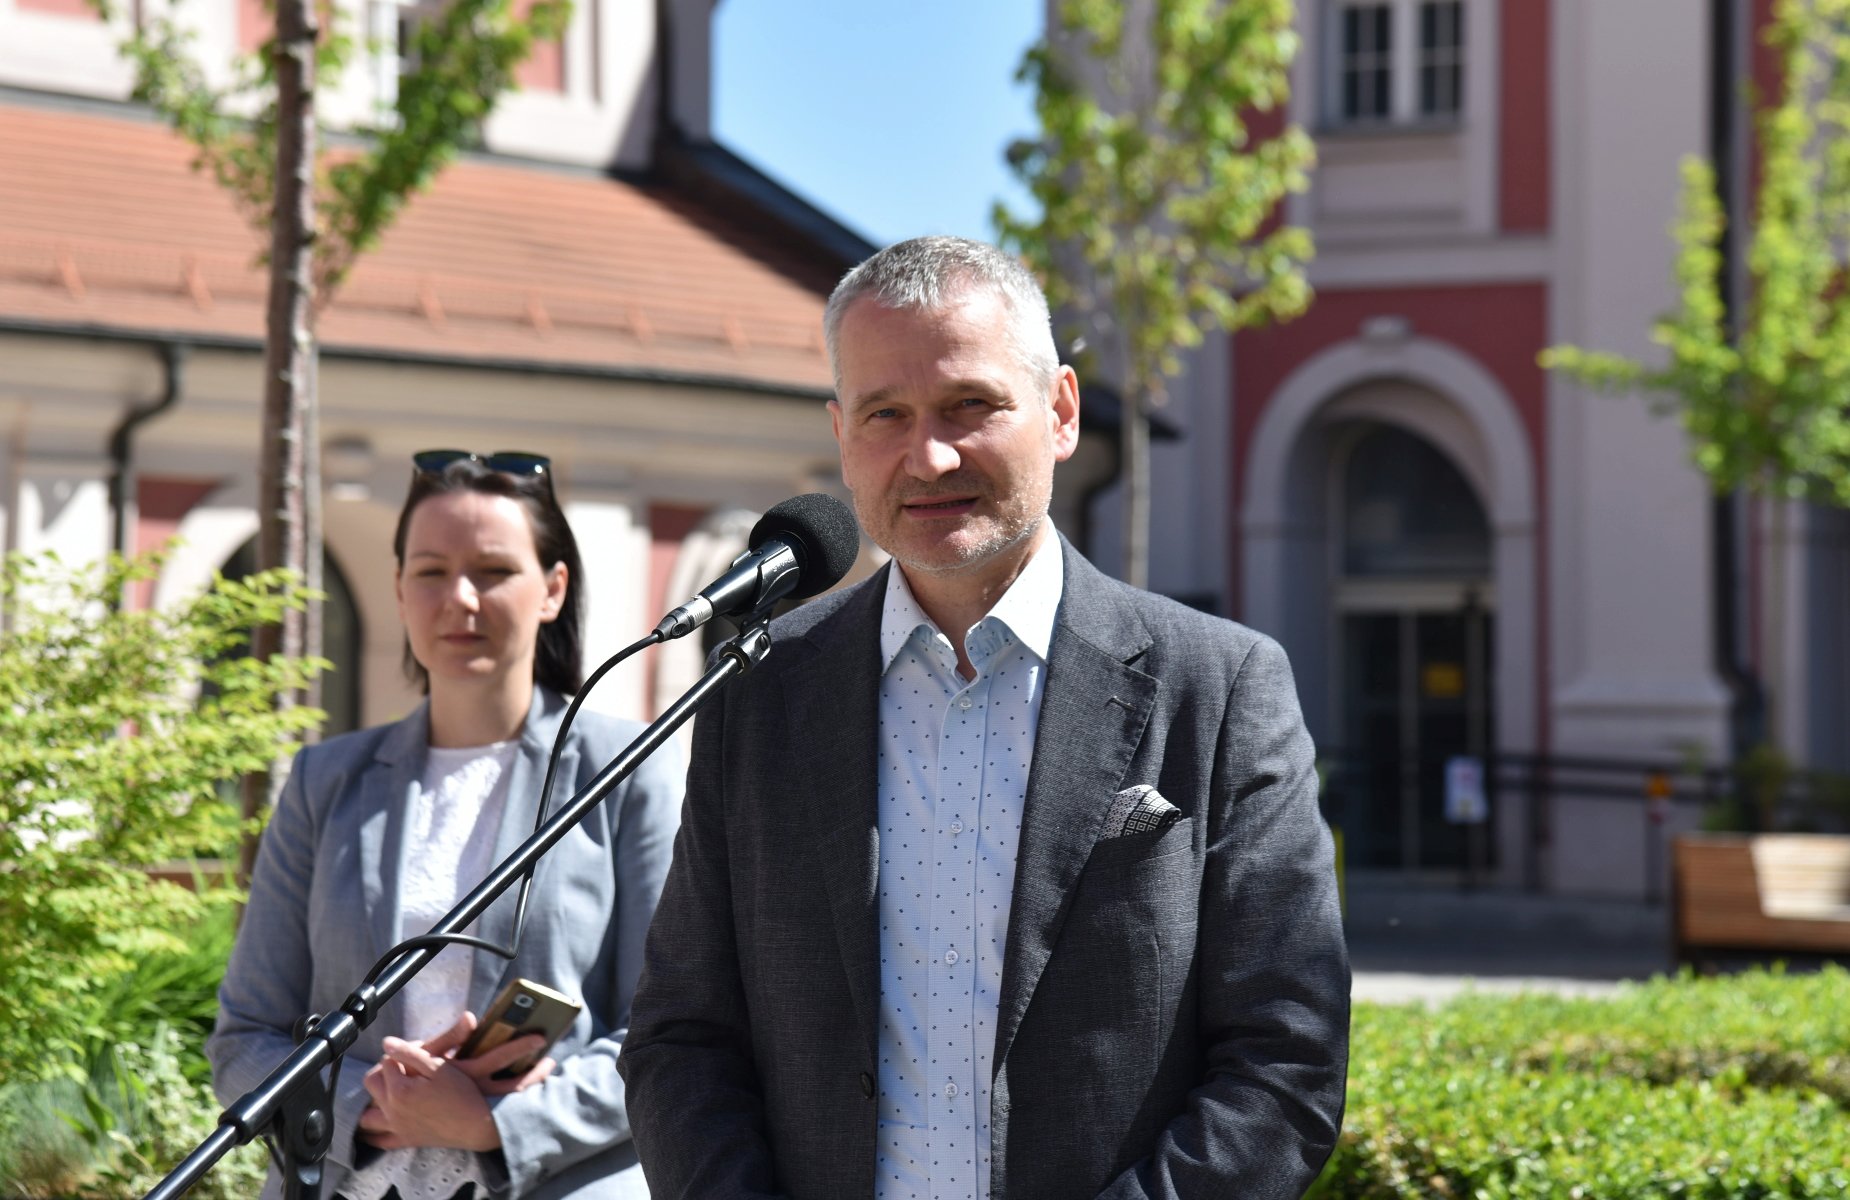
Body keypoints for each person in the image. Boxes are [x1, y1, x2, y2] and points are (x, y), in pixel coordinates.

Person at [617, 237, 1350, 1200]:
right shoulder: (758, 694)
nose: (929, 455)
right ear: (842, 435)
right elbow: (683, 1040)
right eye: (886, 413)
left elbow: (1285, 1062)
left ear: (1060, 412)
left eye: (971, 405)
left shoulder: (1220, 688)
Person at [210, 452, 681, 1200]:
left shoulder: (628, 772)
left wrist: (495, 1124)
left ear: (553, 589)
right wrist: (373, 1104)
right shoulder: (325, 784)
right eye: (430, 572)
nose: (459, 599)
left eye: (492, 571)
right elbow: (245, 1038)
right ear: (399, 590)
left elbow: (670, 1037)